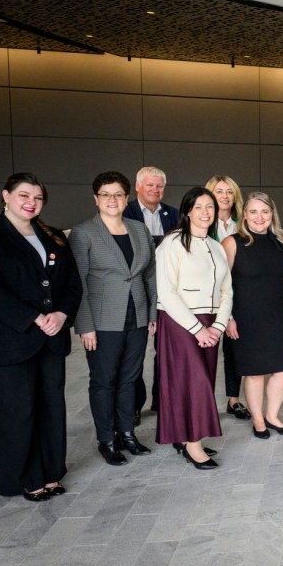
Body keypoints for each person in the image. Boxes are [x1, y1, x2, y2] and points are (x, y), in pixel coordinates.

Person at [0, 173, 82, 501]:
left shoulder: (54, 236)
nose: (31, 202)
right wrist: (34, 317)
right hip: (9, 339)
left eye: (37, 197)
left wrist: (62, 315)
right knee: (16, 412)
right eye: (23, 195)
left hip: (51, 336)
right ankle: (26, 478)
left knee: (49, 408)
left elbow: (72, 284)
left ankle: (49, 472)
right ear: (5, 196)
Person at [69, 171, 157, 467]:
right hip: (102, 323)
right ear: (96, 199)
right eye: (105, 195)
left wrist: (152, 313)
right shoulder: (83, 233)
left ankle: (127, 434)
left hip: (138, 317)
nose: (112, 200)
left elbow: (149, 274)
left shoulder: (138, 229)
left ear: (127, 197)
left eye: (118, 194)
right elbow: (77, 282)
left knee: (130, 379)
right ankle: (106, 439)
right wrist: (85, 325)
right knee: (104, 381)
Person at [155, 187, 233, 469]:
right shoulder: (172, 244)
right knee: (193, 382)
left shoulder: (216, 246)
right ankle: (192, 445)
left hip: (211, 323)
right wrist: (197, 329)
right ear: (187, 210)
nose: (205, 212)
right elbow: (166, 292)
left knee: (204, 382)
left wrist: (219, 325)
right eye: (199, 206)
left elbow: (227, 291)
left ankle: (190, 436)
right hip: (180, 322)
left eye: (210, 207)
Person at [222, 192, 283, 438]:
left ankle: (272, 415)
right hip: (246, 317)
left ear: (272, 214)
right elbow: (221, 285)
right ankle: (258, 420)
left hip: (278, 314)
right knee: (255, 373)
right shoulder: (232, 243)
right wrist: (228, 317)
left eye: (265, 212)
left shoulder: (282, 243)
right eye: (253, 211)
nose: (259, 217)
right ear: (244, 214)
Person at [124, 166, 179, 423]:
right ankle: (134, 404)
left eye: (159, 186)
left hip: (166, 292)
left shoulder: (174, 214)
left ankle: (162, 398)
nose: (155, 190)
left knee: (165, 350)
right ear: (137, 187)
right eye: (150, 185)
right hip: (135, 292)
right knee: (134, 352)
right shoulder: (125, 213)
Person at [205, 174, 250, 421]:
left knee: (234, 349)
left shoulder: (242, 224)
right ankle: (205, 401)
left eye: (229, 192)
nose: (224, 196)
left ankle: (234, 400)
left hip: (237, 294)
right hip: (209, 296)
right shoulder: (203, 224)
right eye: (219, 191)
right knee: (208, 349)